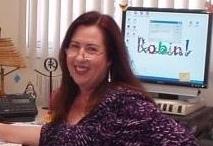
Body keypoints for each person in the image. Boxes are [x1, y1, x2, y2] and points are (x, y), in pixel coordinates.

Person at [0, 11, 199, 146]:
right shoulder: (70, 96)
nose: (80, 56)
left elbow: (73, 138)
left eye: (92, 49)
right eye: (74, 46)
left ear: (110, 58)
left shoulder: (125, 102)